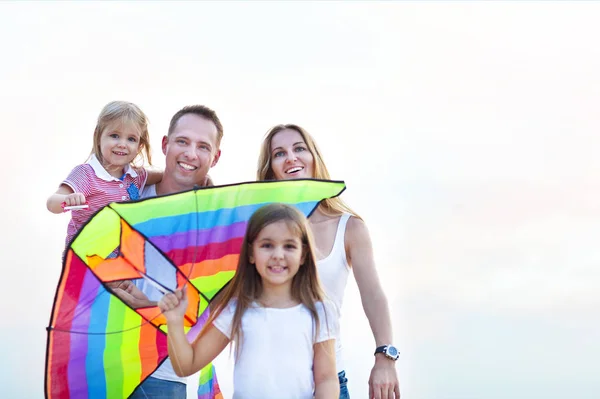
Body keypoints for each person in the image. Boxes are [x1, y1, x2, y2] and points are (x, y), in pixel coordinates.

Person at [257, 124, 401, 399]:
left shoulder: (349, 228)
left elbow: (372, 294)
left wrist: (385, 356)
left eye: (299, 148)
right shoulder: (256, 229)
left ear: (314, 158)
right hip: (267, 383)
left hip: (328, 382)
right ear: (270, 170)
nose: (291, 158)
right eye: (279, 153)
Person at [158, 203, 340, 399]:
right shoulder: (236, 310)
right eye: (267, 245)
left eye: (289, 246)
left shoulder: (320, 311)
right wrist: (175, 322)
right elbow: (187, 365)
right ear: (251, 253)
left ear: (303, 254)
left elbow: (326, 379)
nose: (278, 255)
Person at [112, 104, 223, 398]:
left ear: (215, 157)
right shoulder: (126, 196)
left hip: (164, 372)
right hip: (104, 362)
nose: (190, 154)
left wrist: (151, 309)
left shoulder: (216, 225)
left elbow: (221, 302)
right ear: (165, 144)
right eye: (183, 141)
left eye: (203, 146)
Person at [46, 101, 161, 246]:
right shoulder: (87, 174)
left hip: (122, 262)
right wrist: (68, 199)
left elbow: (165, 175)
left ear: (139, 146)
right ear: (99, 136)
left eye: (131, 139)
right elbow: (51, 203)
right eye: (114, 135)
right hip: (86, 261)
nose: (122, 144)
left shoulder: (135, 176)